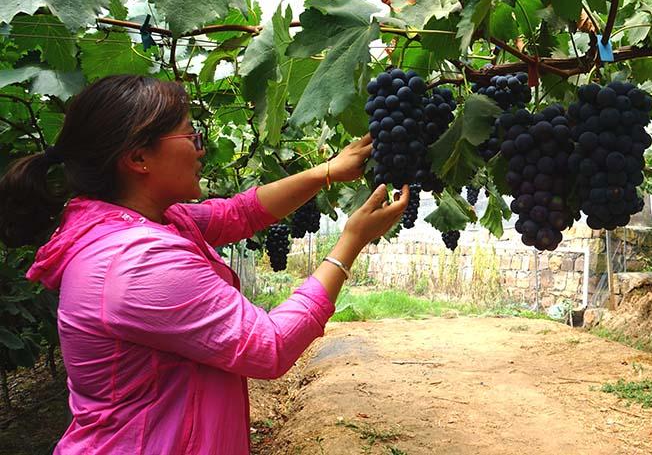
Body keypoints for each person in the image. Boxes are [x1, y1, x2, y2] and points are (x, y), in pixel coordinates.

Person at [0, 74, 409, 454]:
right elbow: (270, 347)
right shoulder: (136, 263)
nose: (200, 146)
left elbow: (239, 214)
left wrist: (325, 173)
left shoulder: (143, 221)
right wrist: (351, 242)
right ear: (139, 157)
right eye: (190, 134)